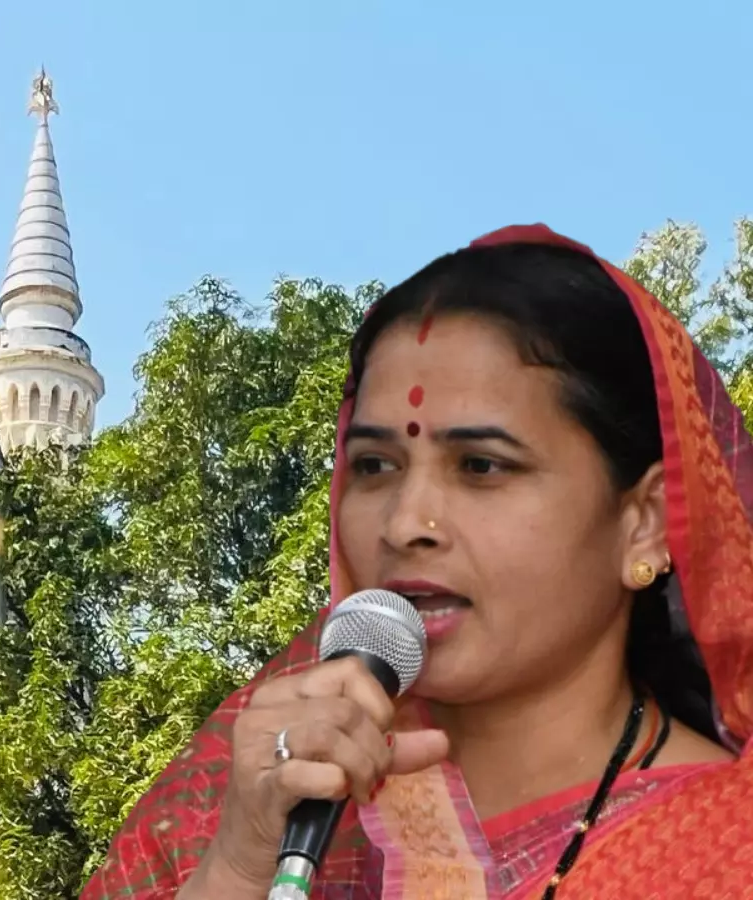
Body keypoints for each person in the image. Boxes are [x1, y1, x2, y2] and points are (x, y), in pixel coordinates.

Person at [80, 225, 753, 899]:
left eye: (481, 466)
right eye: (375, 466)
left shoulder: (731, 849)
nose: (405, 524)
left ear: (645, 524)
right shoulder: (253, 813)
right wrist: (236, 868)